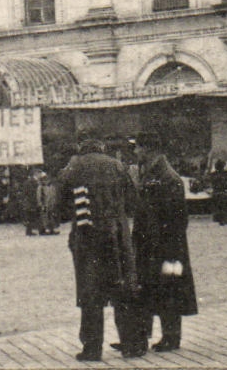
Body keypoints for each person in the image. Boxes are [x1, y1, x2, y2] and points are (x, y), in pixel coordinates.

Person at [57, 138, 139, 362]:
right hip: (117, 237)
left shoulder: (74, 166)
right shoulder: (116, 165)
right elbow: (133, 200)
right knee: (121, 289)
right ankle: (130, 343)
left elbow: (60, 205)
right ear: (101, 147)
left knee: (90, 293)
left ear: (82, 148)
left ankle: (92, 348)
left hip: (87, 238)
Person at [121, 135, 198, 354]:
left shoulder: (167, 177)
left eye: (138, 148)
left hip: (166, 247)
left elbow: (178, 218)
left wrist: (166, 247)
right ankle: (142, 337)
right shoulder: (153, 173)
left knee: (169, 290)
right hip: (151, 245)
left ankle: (171, 337)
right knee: (151, 288)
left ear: (149, 149)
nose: (135, 152)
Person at [209, 160, 227, 226]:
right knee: (226, 206)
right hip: (224, 191)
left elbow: (211, 183)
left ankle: (220, 220)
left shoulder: (213, 174)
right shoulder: (226, 173)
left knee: (219, 206)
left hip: (216, 192)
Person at [37, 170, 60, 235]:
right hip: (45, 204)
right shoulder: (41, 187)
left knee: (52, 217)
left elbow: (54, 195)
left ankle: (52, 229)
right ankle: (47, 229)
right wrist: (41, 204)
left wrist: (54, 202)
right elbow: (39, 197)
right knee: (45, 217)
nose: (46, 180)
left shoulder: (51, 186)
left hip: (51, 204)